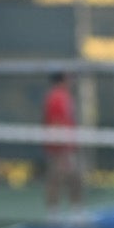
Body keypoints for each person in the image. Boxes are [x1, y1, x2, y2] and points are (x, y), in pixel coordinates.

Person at [41, 70, 81, 217]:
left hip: (66, 146)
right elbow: (56, 123)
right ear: (62, 79)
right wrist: (62, 149)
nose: (72, 81)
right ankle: (55, 214)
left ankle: (73, 212)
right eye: (69, 78)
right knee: (57, 179)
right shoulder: (57, 97)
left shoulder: (65, 96)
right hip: (59, 147)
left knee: (73, 178)